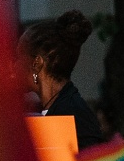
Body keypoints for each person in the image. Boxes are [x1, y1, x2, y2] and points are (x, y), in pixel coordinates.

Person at [19, 9, 103, 150]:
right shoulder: (60, 107)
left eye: (19, 57)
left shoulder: (72, 114)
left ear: (37, 64)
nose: (14, 65)